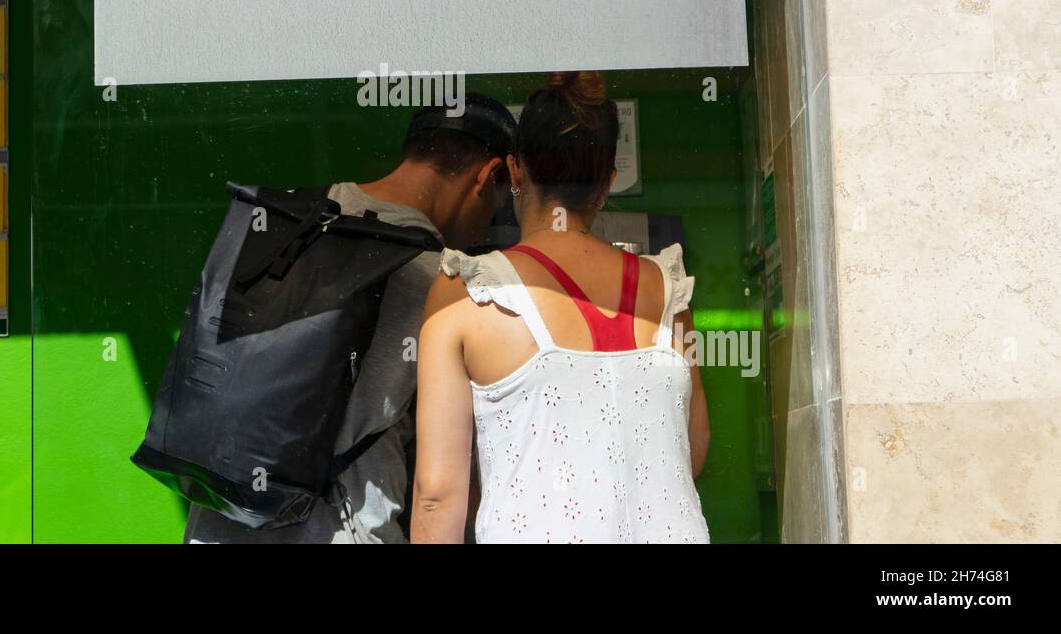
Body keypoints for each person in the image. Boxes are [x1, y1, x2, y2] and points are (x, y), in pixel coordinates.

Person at [185, 93, 517, 543]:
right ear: (490, 174)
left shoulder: (290, 223)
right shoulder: (439, 279)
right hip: (341, 529)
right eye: (499, 202)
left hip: (219, 520)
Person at [412, 71, 710, 543]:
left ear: (514, 171)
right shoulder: (667, 291)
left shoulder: (467, 292)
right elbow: (690, 451)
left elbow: (437, 495)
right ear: (608, 182)